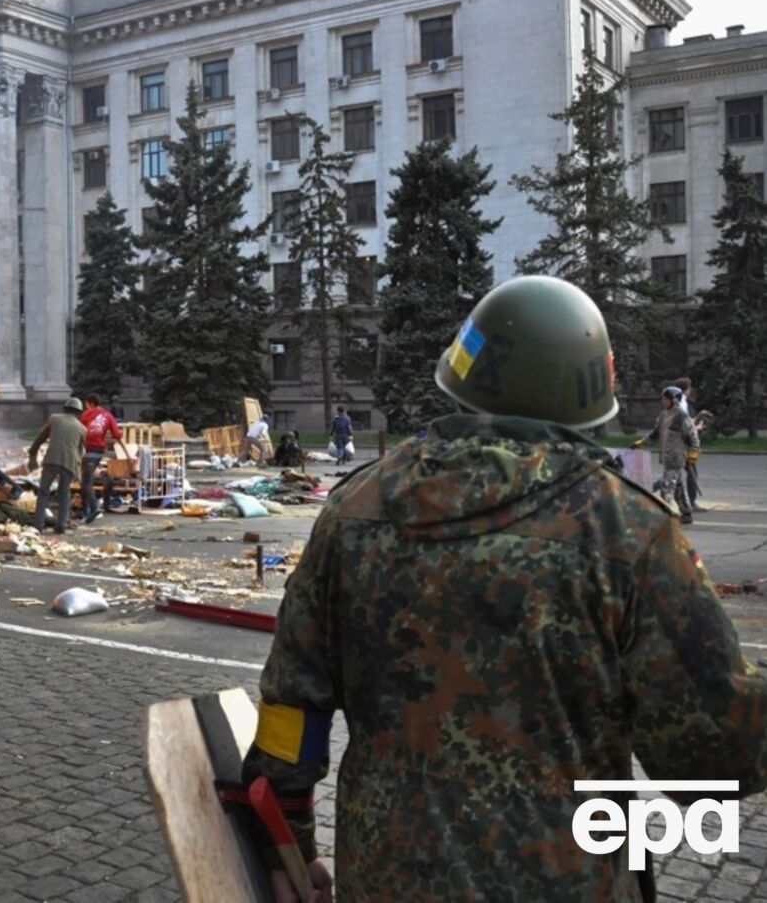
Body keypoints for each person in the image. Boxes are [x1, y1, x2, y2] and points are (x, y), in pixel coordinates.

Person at [243, 276, 766, 903]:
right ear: (590, 395)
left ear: (462, 377)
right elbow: (714, 756)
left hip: (385, 879)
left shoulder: (352, 508)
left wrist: (287, 848)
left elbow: (290, 707)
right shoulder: (627, 530)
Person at [635, 386, 699, 525]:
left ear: (674, 400)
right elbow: (655, 434)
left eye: (665, 399)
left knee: (666, 490)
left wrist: (693, 452)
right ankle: (686, 513)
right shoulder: (663, 415)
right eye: (663, 398)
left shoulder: (681, 416)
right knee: (679, 488)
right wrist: (642, 443)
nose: (662, 401)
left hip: (676, 458)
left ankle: (668, 518)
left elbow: (692, 435)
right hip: (666, 457)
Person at [27, 397, 86, 534]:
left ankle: (38, 525)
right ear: (79, 412)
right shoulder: (82, 428)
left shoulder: (54, 419)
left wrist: (32, 455)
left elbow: (40, 438)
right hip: (69, 463)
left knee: (43, 492)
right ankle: (61, 525)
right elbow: (81, 452)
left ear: (65, 409)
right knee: (64, 493)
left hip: (52, 459)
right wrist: (77, 468)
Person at [79, 394, 131, 523]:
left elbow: (79, 432)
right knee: (86, 479)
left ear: (90, 403)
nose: (86, 407)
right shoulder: (108, 415)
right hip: (98, 452)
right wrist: (128, 454)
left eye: (86, 405)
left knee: (86, 482)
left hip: (88, 451)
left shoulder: (85, 415)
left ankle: (94, 508)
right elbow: (117, 435)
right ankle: (84, 511)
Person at [674, 376, 703, 511]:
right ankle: (691, 502)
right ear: (686, 389)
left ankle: (690, 501)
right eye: (689, 387)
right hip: (682, 444)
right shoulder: (681, 403)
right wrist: (696, 427)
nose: (690, 390)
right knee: (690, 473)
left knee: (678, 473)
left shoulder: (681, 402)